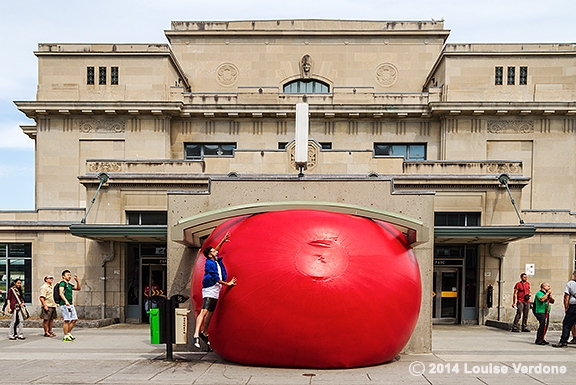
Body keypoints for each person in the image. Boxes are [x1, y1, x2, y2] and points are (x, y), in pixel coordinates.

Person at [193, 232, 237, 349]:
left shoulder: (214, 260)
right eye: (213, 251)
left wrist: (222, 240)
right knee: (204, 311)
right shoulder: (209, 264)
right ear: (209, 255)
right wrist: (228, 284)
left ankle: (205, 333)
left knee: (210, 313)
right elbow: (216, 279)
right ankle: (196, 334)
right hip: (210, 288)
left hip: (215, 290)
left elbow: (216, 250)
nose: (215, 251)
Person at [552, 270, 576, 347]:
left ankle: (563, 341)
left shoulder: (571, 284)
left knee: (567, 324)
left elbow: (566, 296)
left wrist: (566, 307)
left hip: (573, 307)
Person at [58, 270, 81, 342]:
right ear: (63, 276)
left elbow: (78, 288)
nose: (69, 276)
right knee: (67, 320)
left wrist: (77, 281)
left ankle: (68, 333)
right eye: (68, 275)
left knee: (74, 319)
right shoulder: (62, 283)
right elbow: (60, 293)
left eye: (70, 275)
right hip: (64, 304)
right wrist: (65, 301)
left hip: (70, 304)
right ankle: (65, 335)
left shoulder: (69, 285)